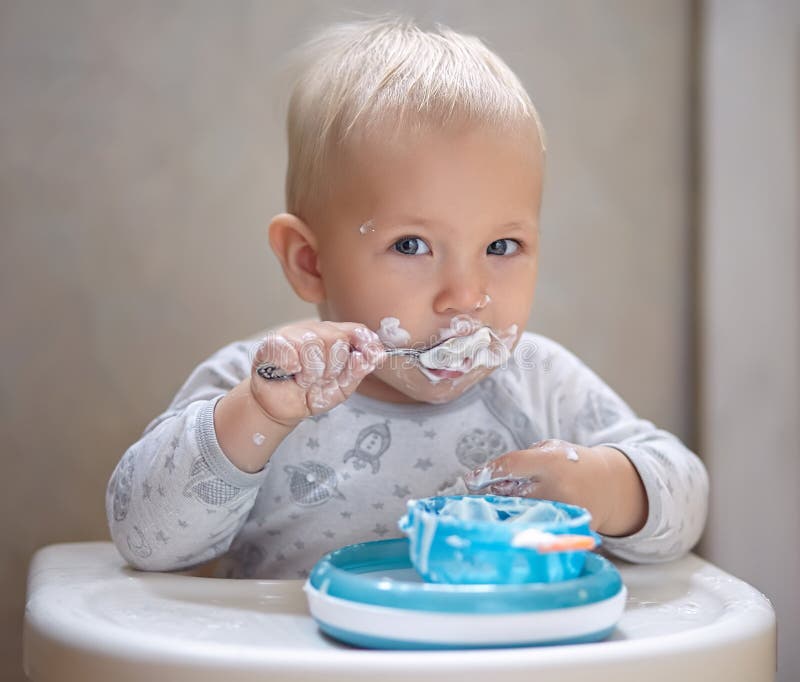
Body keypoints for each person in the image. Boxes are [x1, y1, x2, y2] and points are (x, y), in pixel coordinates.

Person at [106, 17, 708, 578]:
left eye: (501, 246)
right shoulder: (259, 384)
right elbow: (144, 538)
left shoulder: (541, 383)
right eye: (412, 245)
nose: (466, 295)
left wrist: (607, 487)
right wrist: (256, 418)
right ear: (309, 262)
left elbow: (686, 494)